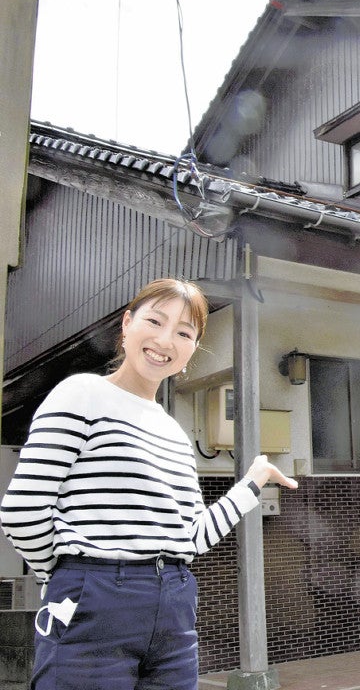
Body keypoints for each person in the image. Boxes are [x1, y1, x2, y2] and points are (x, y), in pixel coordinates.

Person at [0, 277, 298, 690]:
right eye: (155, 321)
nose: (165, 340)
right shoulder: (81, 394)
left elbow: (190, 537)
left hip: (174, 606)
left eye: (183, 332)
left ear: (192, 349)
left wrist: (252, 482)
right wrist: (67, 577)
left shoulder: (173, 433)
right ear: (126, 324)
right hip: (93, 599)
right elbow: (23, 509)